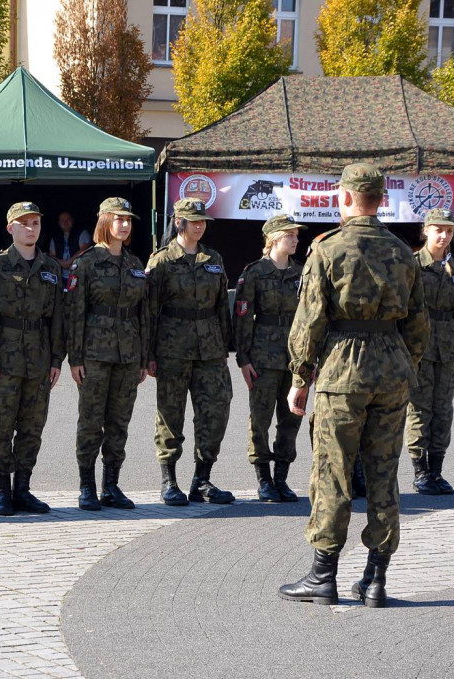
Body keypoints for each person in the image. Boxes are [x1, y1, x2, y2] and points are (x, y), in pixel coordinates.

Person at [278, 163, 428, 608]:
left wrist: (299, 377)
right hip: (393, 369)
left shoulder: (328, 249)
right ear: (380, 199)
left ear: (344, 198)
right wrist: (405, 367)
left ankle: (323, 576)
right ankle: (376, 579)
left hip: (342, 370)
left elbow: (309, 322)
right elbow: (419, 325)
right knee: (384, 473)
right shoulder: (404, 253)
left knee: (333, 472)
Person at [146, 198, 234, 506]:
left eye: (203, 221)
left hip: (210, 348)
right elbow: (150, 310)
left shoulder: (213, 258)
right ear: (179, 222)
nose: (199, 225)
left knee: (215, 411)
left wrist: (225, 346)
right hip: (172, 347)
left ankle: (202, 479)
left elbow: (223, 306)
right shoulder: (162, 260)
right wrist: (149, 353)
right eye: (193, 221)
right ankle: (169, 480)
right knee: (170, 414)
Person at [0, 202, 64, 516]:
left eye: (35, 223)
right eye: (24, 223)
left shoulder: (50, 268)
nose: (31, 228)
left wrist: (57, 359)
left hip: (40, 358)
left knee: (32, 426)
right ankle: (2, 490)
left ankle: (23, 489)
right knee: (2, 425)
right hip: (6, 357)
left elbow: (57, 318)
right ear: (10, 227)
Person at [67, 198, 149, 511]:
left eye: (128, 220)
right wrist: (75, 358)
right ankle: (87, 486)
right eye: (119, 219)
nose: (125, 225)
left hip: (127, 355)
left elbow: (143, 314)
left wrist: (142, 357)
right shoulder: (86, 262)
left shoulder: (134, 263)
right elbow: (75, 313)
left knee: (119, 422)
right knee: (90, 421)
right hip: (94, 355)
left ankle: (111, 485)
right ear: (105, 221)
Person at [233, 215, 306, 503]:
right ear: (274, 238)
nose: (296, 239)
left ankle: (282, 478)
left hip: (295, 357)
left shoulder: (303, 272)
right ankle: (263, 478)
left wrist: (308, 360)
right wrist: (243, 358)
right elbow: (242, 318)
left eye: (296, 234)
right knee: (260, 419)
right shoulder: (254, 272)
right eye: (290, 234)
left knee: (291, 419)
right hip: (262, 357)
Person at [406, 208, 454, 496]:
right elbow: (401, 311)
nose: (444, 235)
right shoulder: (412, 265)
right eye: (438, 230)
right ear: (426, 231)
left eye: (449, 230)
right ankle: (420, 472)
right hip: (419, 348)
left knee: (443, 410)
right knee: (419, 409)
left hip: (448, 348)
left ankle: (436, 471)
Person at [48, 211, 90, 288]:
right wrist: (62, 263)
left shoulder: (82, 233)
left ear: (72, 220)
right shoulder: (55, 237)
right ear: (59, 223)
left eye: (68, 219)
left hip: (78, 275)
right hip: (60, 276)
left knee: (73, 296)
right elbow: (51, 255)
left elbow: (84, 249)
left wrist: (68, 262)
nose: (65, 222)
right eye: (62, 220)